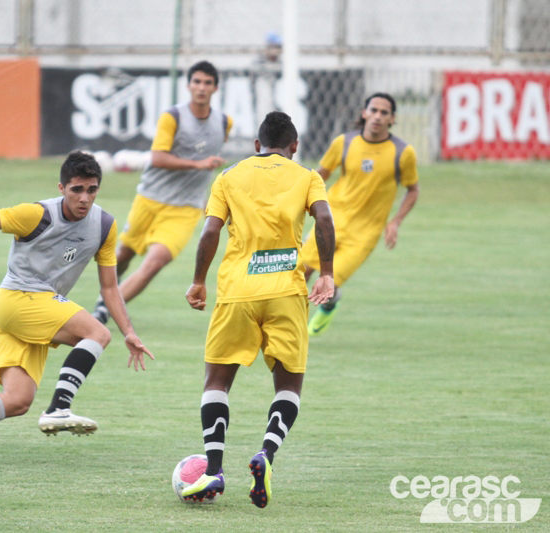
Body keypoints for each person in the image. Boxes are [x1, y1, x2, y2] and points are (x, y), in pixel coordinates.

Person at [0, 151, 154, 465]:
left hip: (26, 311)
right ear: (62, 187)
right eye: (77, 189)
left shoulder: (104, 225)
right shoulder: (37, 215)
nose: (84, 198)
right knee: (97, 333)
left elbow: (109, 287)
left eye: (91, 189)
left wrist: (129, 332)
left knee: (17, 401)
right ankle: (60, 407)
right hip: (18, 299)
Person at [182, 112, 335, 507]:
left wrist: (199, 280)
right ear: (294, 145)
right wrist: (328, 274)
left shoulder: (229, 177)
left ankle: (214, 469)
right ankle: (265, 452)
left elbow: (211, 231)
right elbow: (324, 219)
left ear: (256, 145)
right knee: (288, 386)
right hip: (286, 290)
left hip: (237, 291)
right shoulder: (307, 176)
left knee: (216, 381)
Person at [91, 60, 232, 324]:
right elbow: (157, 158)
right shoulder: (174, 117)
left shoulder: (224, 123)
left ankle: (103, 313)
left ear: (215, 88)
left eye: (208, 83)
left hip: (185, 210)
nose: (201, 88)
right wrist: (197, 164)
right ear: (189, 85)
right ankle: (107, 294)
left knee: (154, 264)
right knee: (123, 255)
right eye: (197, 82)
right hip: (150, 199)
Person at [302, 92, 419, 336]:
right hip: (331, 220)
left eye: (383, 112)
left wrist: (395, 222)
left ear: (392, 119)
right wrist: (300, 203)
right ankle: (289, 328)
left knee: (327, 285)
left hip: (365, 233)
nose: (377, 116)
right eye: (373, 110)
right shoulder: (344, 143)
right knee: (301, 273)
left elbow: (412, 190)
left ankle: (329, 306)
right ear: (364, 113)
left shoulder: (402, 153)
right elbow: (319, 176)